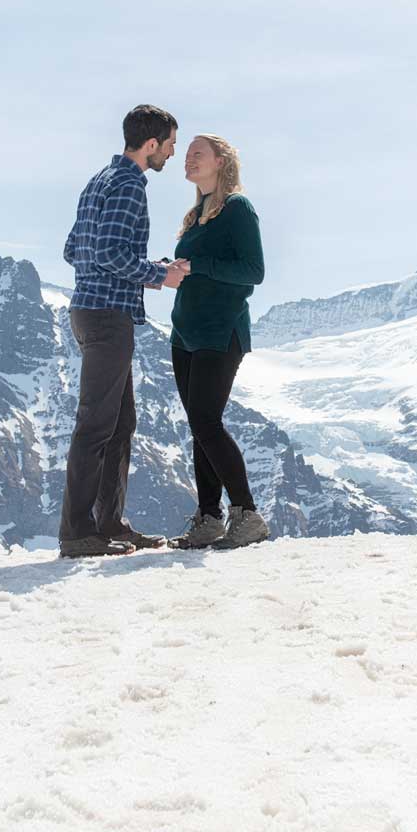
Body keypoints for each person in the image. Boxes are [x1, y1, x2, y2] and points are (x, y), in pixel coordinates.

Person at [57, 105, 189, 559]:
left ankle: (110, 521)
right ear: (150, 144)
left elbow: (74, 249)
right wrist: (159, 275)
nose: (172, 154)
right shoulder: (130, 186)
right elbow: (112, 254)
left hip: (88, 310)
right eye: (170, 144)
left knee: (120, 421)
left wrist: (134, 269)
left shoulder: (97, 181)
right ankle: (77, 533)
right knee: (96, 424)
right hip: (108, 316)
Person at [166, 135, 269, 550]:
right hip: (185, 333)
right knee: (198, 427)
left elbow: (253, 270)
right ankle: (209, 517)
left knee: (207, 422)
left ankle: (247, 513)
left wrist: (198, 265)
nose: (188, 159)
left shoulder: (238, 208)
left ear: (221, 162)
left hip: (220, 331)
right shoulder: (195, 215)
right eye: (187, 154)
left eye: (197, 153)